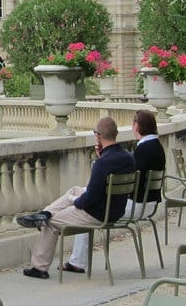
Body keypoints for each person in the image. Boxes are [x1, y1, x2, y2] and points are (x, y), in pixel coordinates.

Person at [17, 116, 135, 279]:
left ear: (98, 136)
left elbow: (89, 199)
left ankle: (40, 267)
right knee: (74, 190)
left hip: (96, 214)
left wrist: (75, 203)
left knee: (49, 222)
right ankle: (46, 212)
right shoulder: (129, 158)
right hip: (115, 211)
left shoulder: (102, 163)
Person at [63, 110, 167, 273]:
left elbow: (128, 181)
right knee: (87, 196)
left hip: (136, 205)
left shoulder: (144, 149)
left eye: (133, 123)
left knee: (88, 207)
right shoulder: (156, 146)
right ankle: (76, 258)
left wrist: (103, 161)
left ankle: (78, 261)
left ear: (137, 126)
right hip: (149, 203)